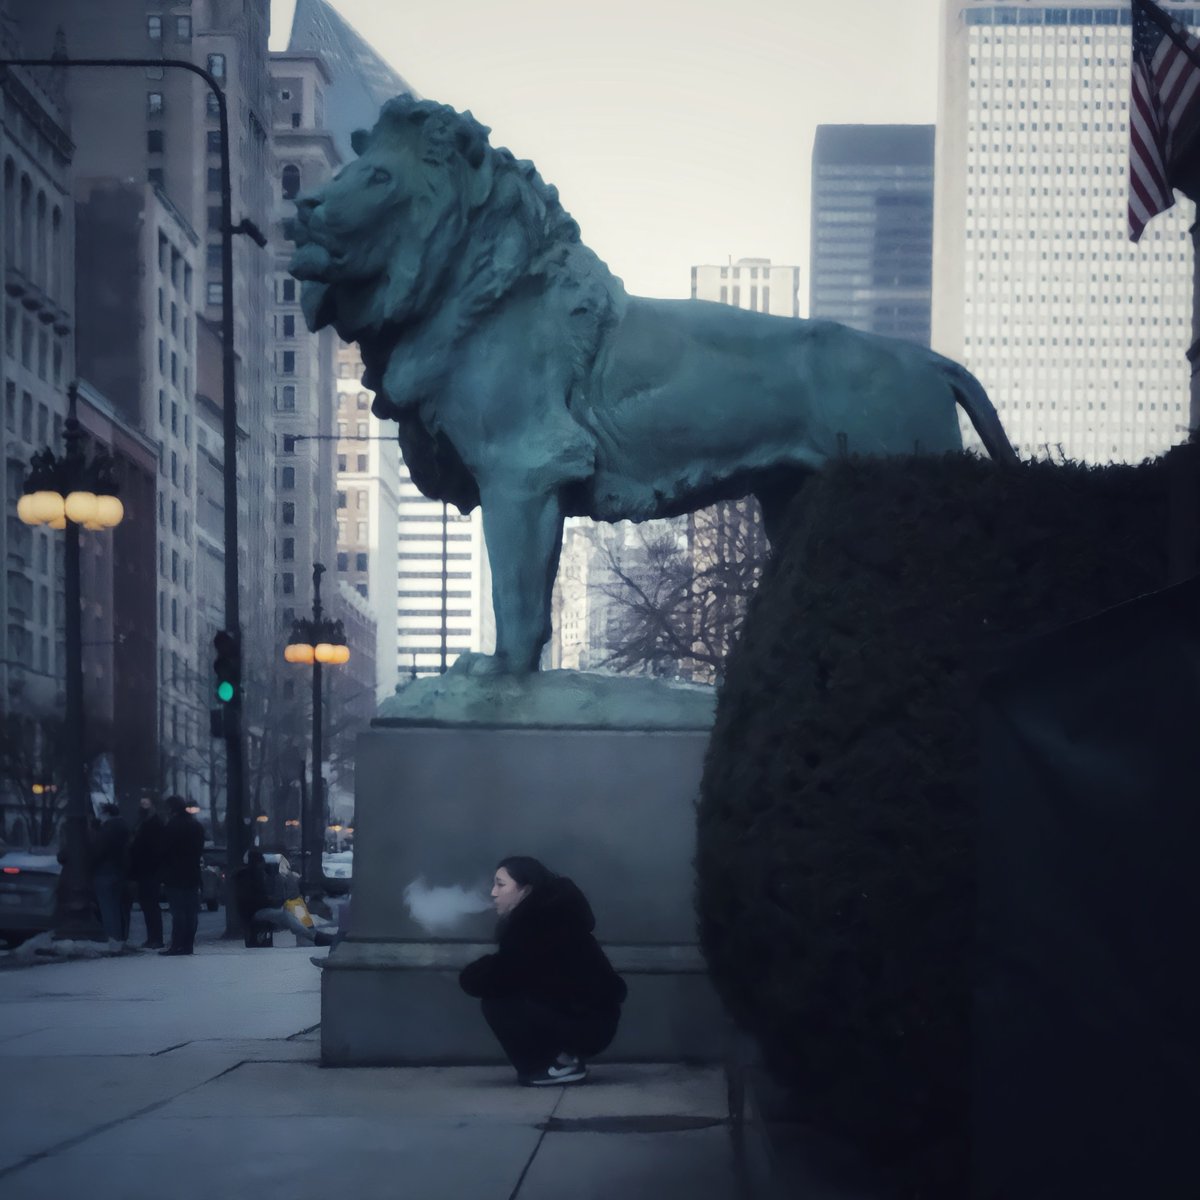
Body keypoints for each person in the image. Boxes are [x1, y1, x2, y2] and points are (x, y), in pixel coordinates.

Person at [459, 856, 627, 1086]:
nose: (493, 893)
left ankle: (554, 1066)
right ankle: (560, 1061)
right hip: (592, 1019)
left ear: (525, 889)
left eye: (500, 884)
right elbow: (512, 969)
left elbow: (498, 975)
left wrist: (472, 973)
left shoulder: (537, 926)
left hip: (587, 1024)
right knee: (505, 997)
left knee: (498, 1003)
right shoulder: (547, 919)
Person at [233, 849, 333, 948]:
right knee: (285, 915)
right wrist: (272, 902)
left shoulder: (254, 876)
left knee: (287, 914)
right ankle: (314, 937)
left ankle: (312, 936)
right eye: (261, 862)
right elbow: (254, 900)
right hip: (253, 913)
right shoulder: (251, 877)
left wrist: (271, 901)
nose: (263, 865)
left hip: (256, 910)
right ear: (257, 863)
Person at [158, 796, 204, 956]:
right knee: (191, 912)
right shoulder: (196, 826)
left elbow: (164, 850)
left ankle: (177, 944)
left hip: (175, 874)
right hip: (192, 873)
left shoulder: (172, 826)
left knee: (178, 912)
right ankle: (188, 944)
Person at [90, 802, 131, 949]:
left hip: (105, 872)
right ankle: (119, 937)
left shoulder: (108, 829)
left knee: (108, 908)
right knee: (116, 907)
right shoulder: (123, 827)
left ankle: (113, 940)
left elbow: (98, 850)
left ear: (107, 814)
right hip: (119, 872)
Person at [128, 796, 165, 949]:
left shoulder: (151, 825)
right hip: (147, 870)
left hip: (148, 870)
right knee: (150, 906)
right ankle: (154, 937)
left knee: (150, 906)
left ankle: (155, 938)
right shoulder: (149, 823)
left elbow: (149, 848)